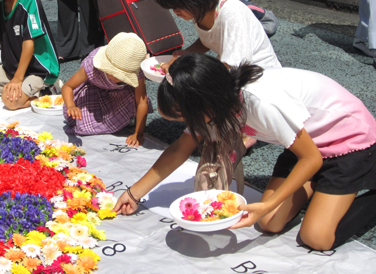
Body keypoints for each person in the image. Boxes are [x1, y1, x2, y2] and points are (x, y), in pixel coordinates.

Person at [113, 53, 376, 251]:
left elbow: (312, 158)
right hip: (304, 145)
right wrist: (133, 193)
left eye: (185, 118)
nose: (188, 126)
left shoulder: (261, 102)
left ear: (204, 103)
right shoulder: (218, 99)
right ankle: (319, 187)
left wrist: (268, 203)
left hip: (348, 144)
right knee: (269, 223)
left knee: (316, 238)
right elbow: (180, 149)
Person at [155, 0, 281, 72]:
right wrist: (187, 52)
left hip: (259, 79)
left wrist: (187, 71)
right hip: (233, 73)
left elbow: (233, 67)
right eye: (172, 7)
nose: (176, 12)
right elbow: (210, 38)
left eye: (178, 5)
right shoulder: (200, 8)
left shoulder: (231, 14)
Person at [62, 32, 150, 147]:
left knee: (137, 102)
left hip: (119, 95)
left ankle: (128, 120)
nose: (115, 77)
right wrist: (71, 106)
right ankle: (121, 121)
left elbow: (142, 101)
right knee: (80, 123)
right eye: (112, 72)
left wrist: (139, 133)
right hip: (92, 93)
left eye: (121, 76)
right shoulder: (92, 64)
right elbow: (68, 86)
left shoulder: (137, 71)